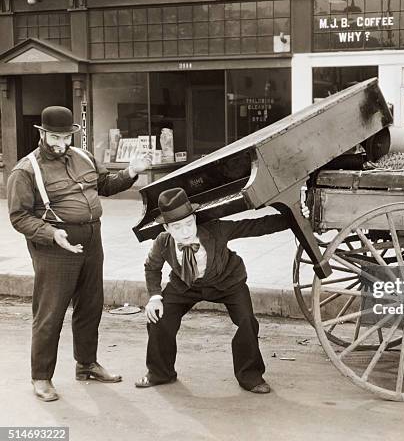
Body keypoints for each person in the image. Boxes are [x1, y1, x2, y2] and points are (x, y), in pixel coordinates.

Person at [7, 105, 150, 401]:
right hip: (54, 247)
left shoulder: (84, 157)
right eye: (54, 138)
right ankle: (42, 377)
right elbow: (19, 216)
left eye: (66, 137)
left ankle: (86, 365)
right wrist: (52, 233)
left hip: (91, 240)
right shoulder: (26, 170)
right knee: (50, 313)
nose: (61, 144)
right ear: (43, 134)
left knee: (90, 305)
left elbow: (105, 186)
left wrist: (131, 172)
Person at [136, 187, 290, 394]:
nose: (185, 231)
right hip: (185, 286)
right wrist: (154, 297)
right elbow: (151, 267)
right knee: (158, 319)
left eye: (189, 224)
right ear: (167, 228)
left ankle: (250, 376)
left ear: (194, 218)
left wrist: (293, 217)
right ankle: (160, 373)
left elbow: (253, 226)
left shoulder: (216, 230)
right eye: (177, 227)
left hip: (227, 283)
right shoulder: (162, 242)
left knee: (247, 321)